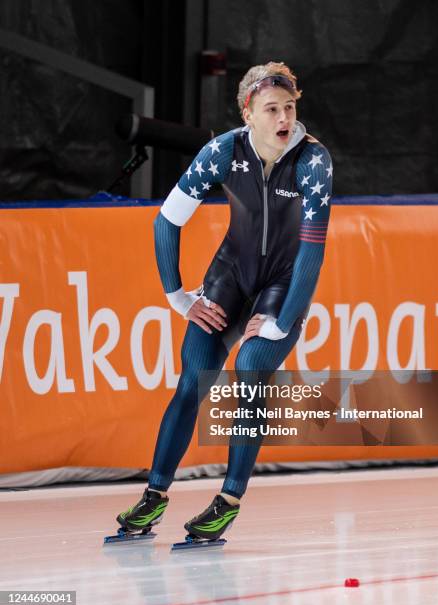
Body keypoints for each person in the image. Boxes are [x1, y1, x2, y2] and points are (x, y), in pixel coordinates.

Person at [116, 61, 333, 542]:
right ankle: (154, 496)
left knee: (250, 371)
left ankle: (228, 499)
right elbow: (165, 222)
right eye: (271, 109)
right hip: (230, 277)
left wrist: (282, 322)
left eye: (290, 107)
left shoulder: (314, 162)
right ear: (248, 113)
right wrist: (177, 295)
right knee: (193, 381)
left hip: (282, 282)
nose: (284, 119)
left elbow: (312, 254)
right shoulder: (222, 151)